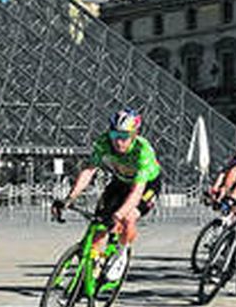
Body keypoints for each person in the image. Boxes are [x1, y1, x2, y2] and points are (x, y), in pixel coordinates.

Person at [58, 108, 160, 279]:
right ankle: (92, 272)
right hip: (120, 181)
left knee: (128, 218)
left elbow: (136, 193)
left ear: (134, 135)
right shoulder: (103, 142)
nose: (118, 142)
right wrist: (70, 197)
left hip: (146, 185)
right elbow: (89, 171)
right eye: (114, 136)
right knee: (99, 226)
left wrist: (118, 215)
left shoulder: (143, 151)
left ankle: (122, 253)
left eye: (124, 137)